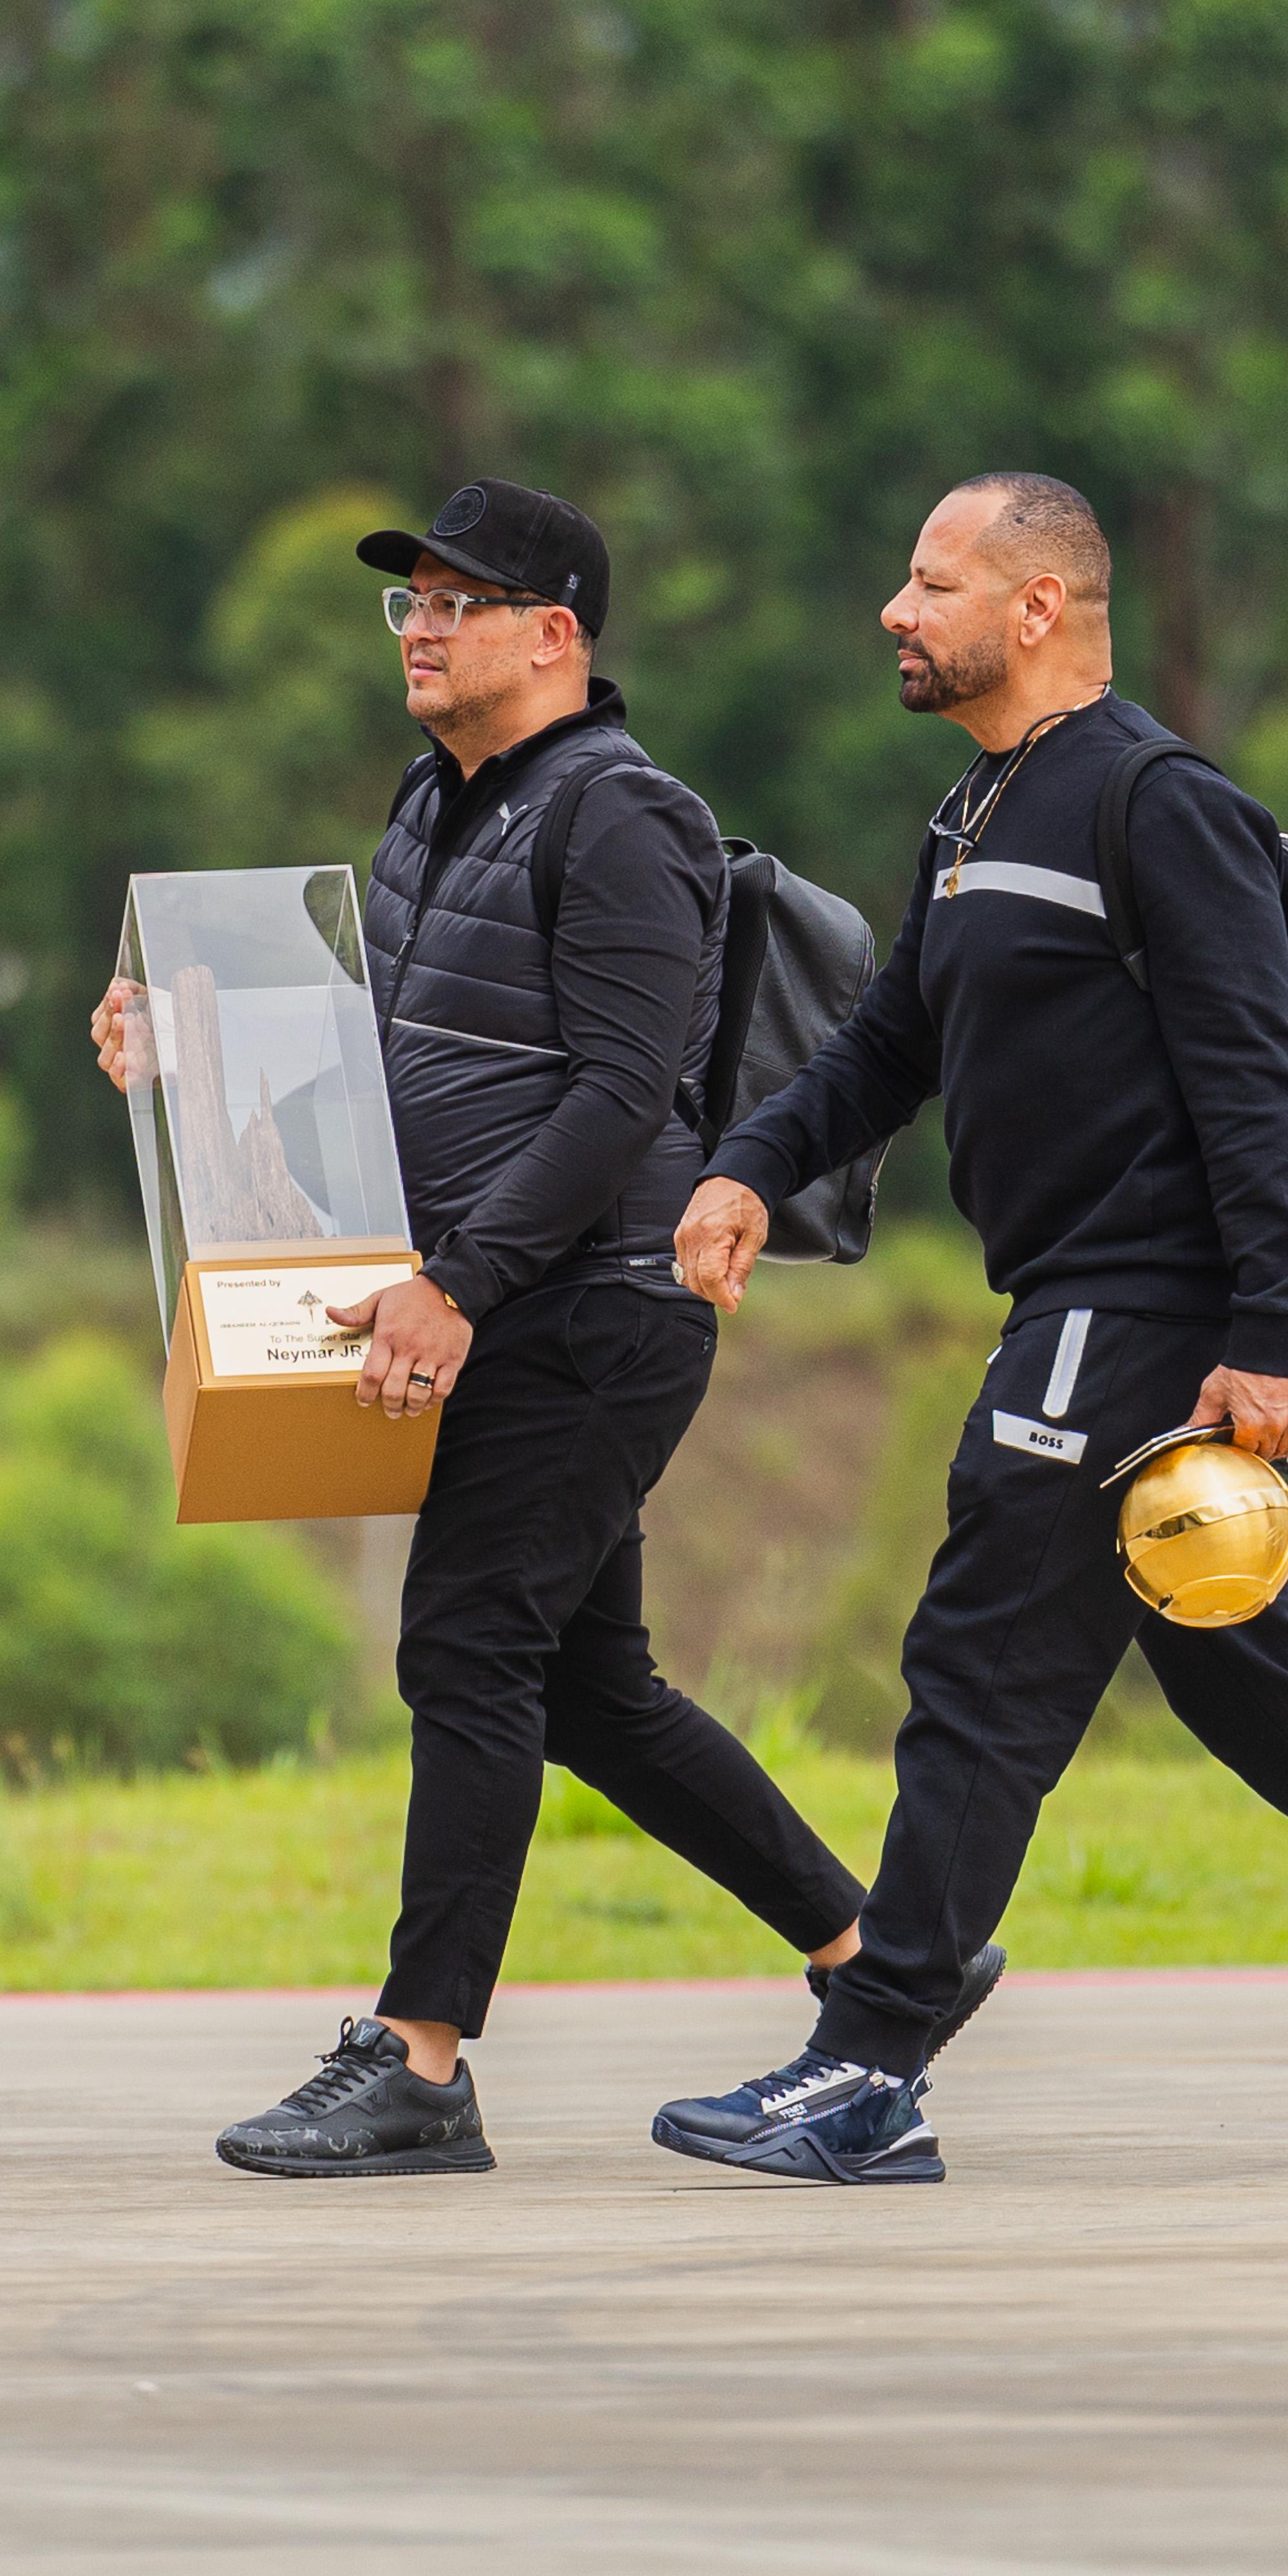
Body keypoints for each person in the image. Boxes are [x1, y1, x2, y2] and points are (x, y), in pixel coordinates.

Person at [650, 471, 1288, 2186]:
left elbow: (1253, 1083)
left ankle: (870, 2063)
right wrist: (751, 1163)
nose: (896, 612)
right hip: (1085, 1298)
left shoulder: (1152, 802)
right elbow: (888, 1043)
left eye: (930, 581)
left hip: (1141, 1305)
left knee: (980, 1661)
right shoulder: (977, 815)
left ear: (1035, 605)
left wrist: (1270, 1334)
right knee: (1236, 1672)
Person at [92, 476, 1001, 2177]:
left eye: (456, 600)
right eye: (407, 603)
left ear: (554, 632)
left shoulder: (625, 814)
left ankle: (420, 2060)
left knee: (464, 1647)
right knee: (586, 1682)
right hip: (508, 1289)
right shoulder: (429, 810)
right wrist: (185, 1050)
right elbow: (390, 1059)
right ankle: (880, 1961)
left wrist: (458, 1285)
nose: (420, 630)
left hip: (593, 1299)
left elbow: (618, 1092)